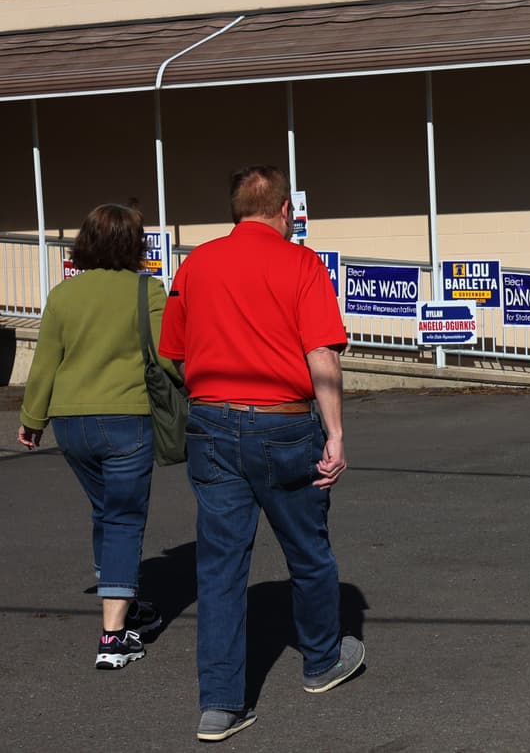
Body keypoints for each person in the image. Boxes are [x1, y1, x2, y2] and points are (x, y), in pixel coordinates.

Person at [159, 165, 363, 742]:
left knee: (220, 567)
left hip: (212, 423)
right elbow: (321, 352)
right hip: (283, 425)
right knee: (308, 549)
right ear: (286, 212)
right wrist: (336, 433)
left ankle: (220, 705)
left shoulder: (196, 264)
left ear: (234, 211)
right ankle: (322, 660)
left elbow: (172, 350)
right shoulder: (302, 264)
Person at [17, 204, 173, 669]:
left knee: (106, 510)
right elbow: (168, 358)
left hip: (70, 423)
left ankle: (124, 602)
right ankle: (113, 637)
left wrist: (32, 420)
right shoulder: (148, 289)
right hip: (128, 418)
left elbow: (44, 363)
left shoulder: (63, 296)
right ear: (134, 243)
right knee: (124, 518)